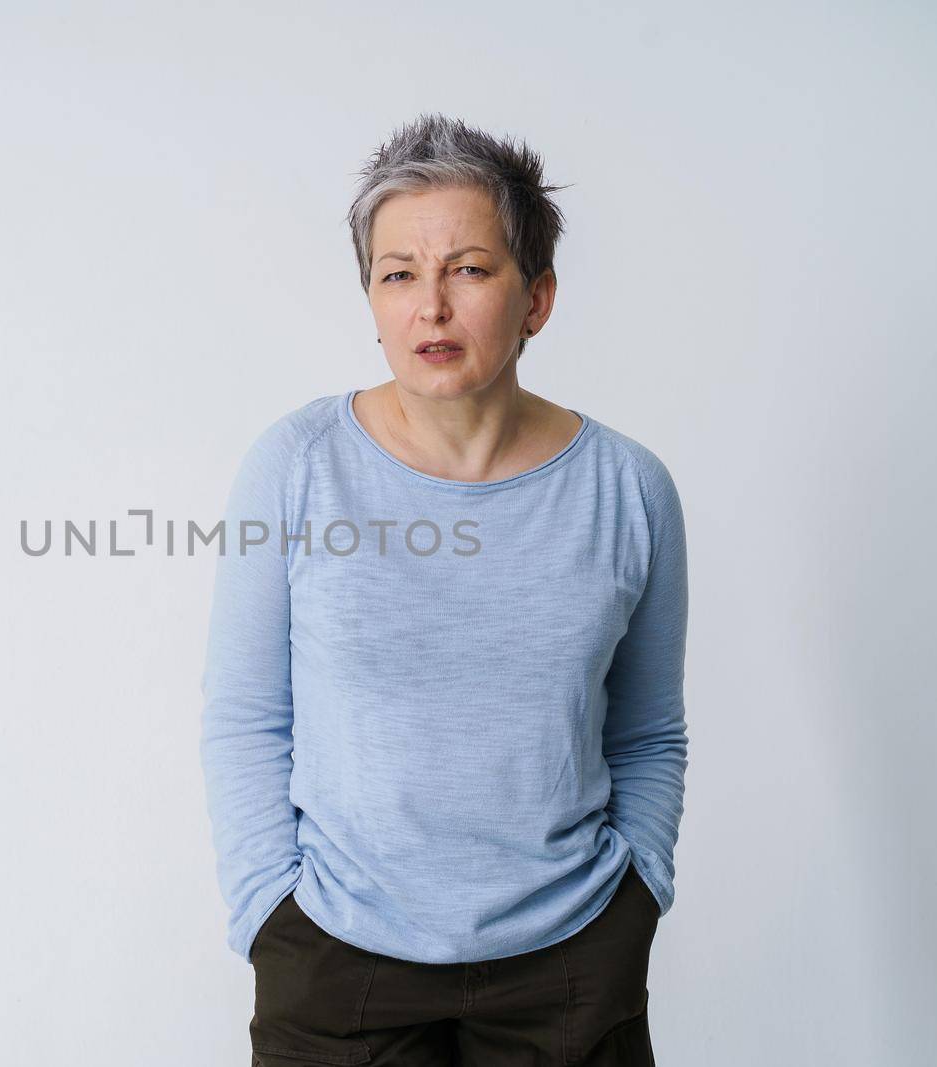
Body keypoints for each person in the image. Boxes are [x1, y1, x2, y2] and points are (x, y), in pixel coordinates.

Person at [199, 113, 689, 1066]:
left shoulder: (629, 489)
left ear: (536, 297)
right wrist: (271, 910)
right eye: (398, 274)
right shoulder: (295, 468)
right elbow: (246, 716)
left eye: (468, 268)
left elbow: (647, 731)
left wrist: (640, 893)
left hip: (572, 960)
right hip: (336, 964)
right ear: (372, 300)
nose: (431, 306)